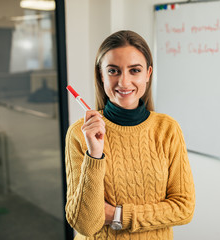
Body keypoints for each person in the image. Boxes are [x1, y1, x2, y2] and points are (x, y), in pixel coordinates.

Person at [65, 30, 195, 240]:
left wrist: (118, 215)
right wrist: (94, 155)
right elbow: (86, 225)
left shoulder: (167, 129)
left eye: (134, 70)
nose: (124, 82)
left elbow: (184, 208)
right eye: (113, 71)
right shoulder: (80, 133)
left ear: (148, 73)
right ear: (101, 74)